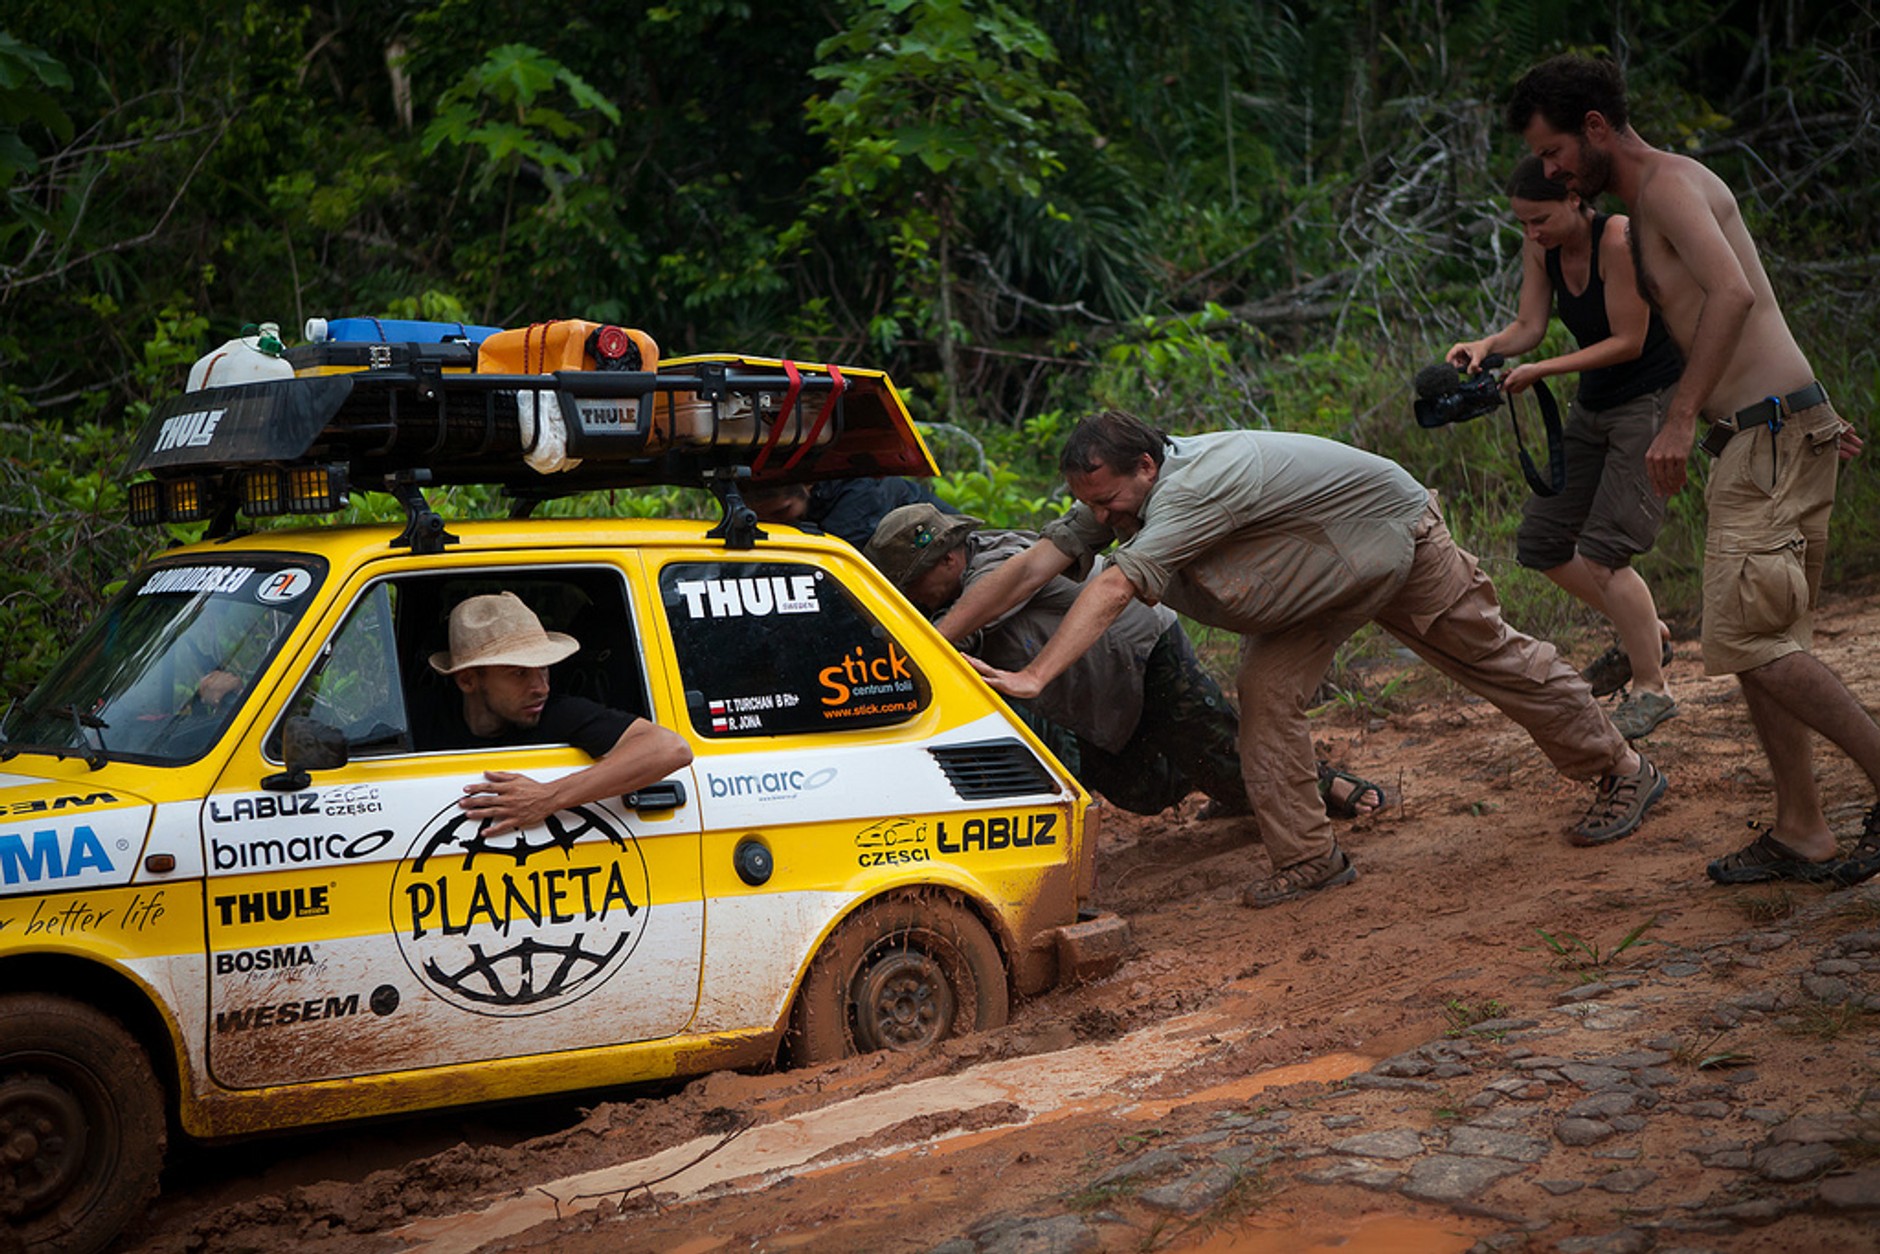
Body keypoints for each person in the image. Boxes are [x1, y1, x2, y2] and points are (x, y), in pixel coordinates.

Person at [937, 412, 1665, 908]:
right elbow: (1039, 563)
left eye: (1109, 500)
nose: (1100, 517)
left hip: (1395, 539)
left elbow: (1119, 585)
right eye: (1087, 504)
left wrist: (1037, 676)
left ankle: (1625, 772)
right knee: (1265, 692)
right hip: (1323, 576)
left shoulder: (1189, 490)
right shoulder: (1119, 496)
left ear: (1148, 466)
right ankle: (1310, 858)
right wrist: (937, 638)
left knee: (1493, 662)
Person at [1508, 55, 1880, 889]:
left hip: (1767, 435)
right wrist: (1816, 404)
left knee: (1755, 645)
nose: (1552, 169)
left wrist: (1681, 418)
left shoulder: (1669, 186)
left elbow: (1736, 297)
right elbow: (1749, 305)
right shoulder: (1643, 212)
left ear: (1596, 129)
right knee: (1761, 643)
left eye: (1556, 151)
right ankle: (1802, 830)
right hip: (1779, 428)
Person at [865, 502, 1387, 821]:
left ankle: (1330, 788)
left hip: (1143, 650)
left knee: (1213, 742)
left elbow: (975, 620)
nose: (912, 595)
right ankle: (1228, 783)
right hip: (1095, 684)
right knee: (1143, 788)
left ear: (950, 559)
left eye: (913, 582)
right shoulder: (948, 593)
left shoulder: (996, 562)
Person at [1448, 155, 1684, 740]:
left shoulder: (1619, 237)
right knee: (1544, 541)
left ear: (1576, 199)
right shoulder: (1543, 248)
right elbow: (1530, 326)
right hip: (1596, 403)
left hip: (1648, 398)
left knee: (1605, 553)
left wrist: (1543, 370)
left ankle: (1652, 689)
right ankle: (1647, 632)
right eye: (1524, 223)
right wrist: (1488, 346)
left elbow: (1629, 341)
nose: (1533, 232)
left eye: (1541, 219)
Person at [427, 592, 694, 837]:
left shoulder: (557, 712)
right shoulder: (425, 722)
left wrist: (549, 797)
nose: (542, 688)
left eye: (544, 668)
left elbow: (671, 748)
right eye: (519, 673)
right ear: (467, 681)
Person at [747, 476, 956, 548]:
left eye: (782, 512)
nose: (775, 525)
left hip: (953, 560)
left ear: (807, 486)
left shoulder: (858, 497)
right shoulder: (819, 501)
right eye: (762, 518)